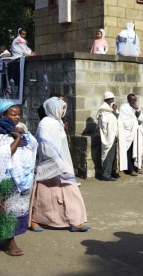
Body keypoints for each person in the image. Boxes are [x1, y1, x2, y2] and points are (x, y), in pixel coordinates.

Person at [30, 97, 89, 232]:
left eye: (64, 108)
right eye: (61, 108)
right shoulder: (45, 124)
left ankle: (74, 221)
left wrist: (63, 163)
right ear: (52, 108)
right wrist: (56, 161)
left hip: (61, 164)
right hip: (49, 165)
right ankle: (35, 220)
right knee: (44, 198)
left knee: (70, 192)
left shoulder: (58, 123)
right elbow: (44, 145)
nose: (63, 111)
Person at [0, 102, 37, 255]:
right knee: (7, 211)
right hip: (6, 179)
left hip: (21, 179)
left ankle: (10, 239)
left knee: (16, 211)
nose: (17, 117)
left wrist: (25, 134)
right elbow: (6, 153)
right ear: (3, 116)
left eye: (18, 114)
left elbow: (33, 144)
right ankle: (10, 244)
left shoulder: (19, 129)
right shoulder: (2, 131)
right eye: (12, 114)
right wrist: (18, 137)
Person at [118, 94, 143, 176]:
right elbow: (124, 121)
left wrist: (137, 109)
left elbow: (142, 119)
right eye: (131, 100)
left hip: (136, 132)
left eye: (134, 100)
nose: (133, 102)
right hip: (128, 133)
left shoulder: (137, 108)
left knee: (137, 150)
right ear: (128, 100)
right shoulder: (124, 108)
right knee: (129, 151)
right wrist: (135, 122)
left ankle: (137, 167)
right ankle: (130, 170)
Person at [96, 92, 119, 181]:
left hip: (113, 135)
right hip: (108, 137)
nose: (113, 100)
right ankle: (106, 174)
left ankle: (111, 172)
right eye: (112, 98)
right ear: (107, 99)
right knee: (108, 155)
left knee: (113, 155)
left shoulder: (109, 109)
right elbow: (105, 123)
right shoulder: (104, 110)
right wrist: (114, 112)